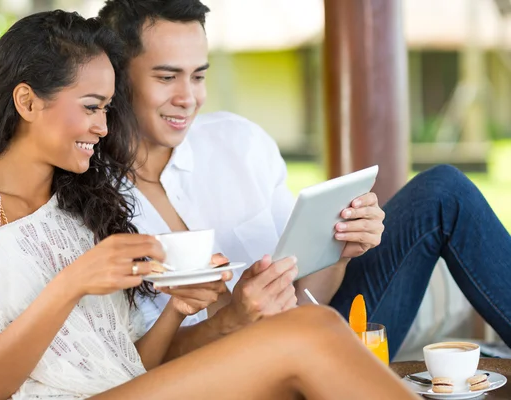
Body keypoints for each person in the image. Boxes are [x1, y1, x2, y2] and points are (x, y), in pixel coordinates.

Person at [0, 9, 418, 400]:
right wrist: (72, 283)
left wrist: (176, 308)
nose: (104, 128)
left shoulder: (81, 205)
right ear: (26, 102)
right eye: (90, 108)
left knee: (310, 334)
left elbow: (131, 364)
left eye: (108, 109)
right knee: (311, 331)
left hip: (124, 388)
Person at [99, 0, 511, 360]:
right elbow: (134, 365)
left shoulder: (239, 142)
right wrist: (233, 320)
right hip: (230, 373)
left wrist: (342, 248)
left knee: (442, 190)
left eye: (199, 76)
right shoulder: (92, 201)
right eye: (167, 77)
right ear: (116, 77)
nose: (188, 98)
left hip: (314, 332)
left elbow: (306, 294)